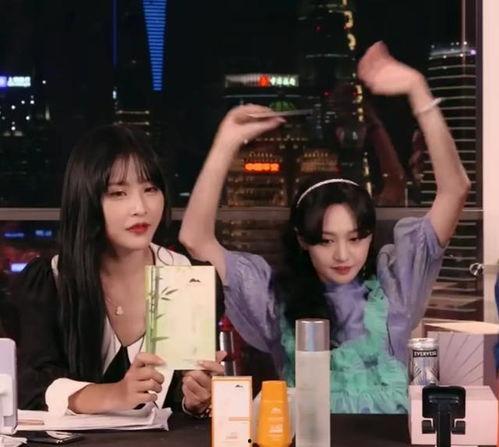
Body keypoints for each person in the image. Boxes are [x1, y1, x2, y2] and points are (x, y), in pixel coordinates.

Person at [178, 42, 470, 413]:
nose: (343, 255)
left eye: (356, 238)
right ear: (303, 240)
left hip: (390, 438)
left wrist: (417, 90)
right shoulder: (275, 300)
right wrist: (226, 143)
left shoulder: (395, 287)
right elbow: (195, 238)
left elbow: (455, 190)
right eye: (326, 241)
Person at [13, 124, 224, 415]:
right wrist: (115, 394)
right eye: (118, 193)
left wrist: (196, 399)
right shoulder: (51, 280)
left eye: (150, 189)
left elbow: (182, 399)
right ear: (87, 200)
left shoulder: (185, 277)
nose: (140, 207)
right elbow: (33, 390)